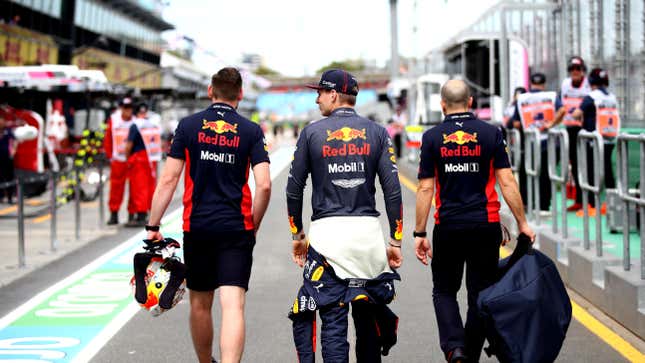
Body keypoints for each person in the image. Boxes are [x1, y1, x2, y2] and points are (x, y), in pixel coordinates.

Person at [145, 67, 271, 363]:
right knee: (233, 306)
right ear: (240, 94)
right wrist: (254, 225)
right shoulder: (251, 130)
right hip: (236, 226)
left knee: (200, 304)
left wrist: (153, 225)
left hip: (198, 225)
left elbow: (168, 179)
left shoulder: (188, 127)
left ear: (210, 92)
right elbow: (264, 184)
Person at [414, 80, 535, 363]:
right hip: (485, 226)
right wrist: (522, 224)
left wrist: (420, 232)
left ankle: (455, 348)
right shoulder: (491, 133)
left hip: (448, 227)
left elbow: (425, 189)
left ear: (442, 104)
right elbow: (507, 182)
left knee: (444, 291)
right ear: (470, 103)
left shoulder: (432, 138)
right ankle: (468, 354)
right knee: (479, 295)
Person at [287, 69, 403, 362]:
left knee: (333, 323)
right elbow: (393, 192)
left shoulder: (312, 133)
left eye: (320, 93)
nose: (317, 99)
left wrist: (297, 235)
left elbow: (293, 190)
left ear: (334, 94)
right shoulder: (378, 132)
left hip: (327, 241)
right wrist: (396, 240)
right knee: (367, 320)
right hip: (368, 239)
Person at [509, 73, 564, 214]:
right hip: (548, 142)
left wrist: (528, 125)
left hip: (530, 142)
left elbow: (515, 123)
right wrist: (551, 124)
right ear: (544, 84)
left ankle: (527, 204)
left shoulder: (522, 98)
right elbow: (562, 110)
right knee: (546, 173)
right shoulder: (551, 96)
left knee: (528, 173)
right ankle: (544, 206)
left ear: (531, 84)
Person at [571, 68, 618, 216]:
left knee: (591, 171)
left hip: (594, 141)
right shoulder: (612, 97)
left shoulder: (591, 97)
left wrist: (578, 116)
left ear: (591, 82)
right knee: (608, 171)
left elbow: (576, 114)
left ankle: (591, 205)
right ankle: (611, 204)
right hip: (609, 138)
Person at [556, 56, 591, 212]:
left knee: (589, 165)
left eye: (578, 69)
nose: (575, 72)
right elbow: (559, 102)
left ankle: (591, 201)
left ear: (583, 70)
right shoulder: (565, 84)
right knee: (575, 165)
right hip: (570, 129)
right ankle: (579, 200)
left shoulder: (589, 85)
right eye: (572, 69)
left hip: (586, 130)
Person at [124, 103, 162, 227]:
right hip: (152, 159)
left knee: (138, 187)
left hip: (139, 159)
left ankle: (141, 215)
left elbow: (129, 144)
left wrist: (127, 158)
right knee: (150, 186)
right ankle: (151, 214)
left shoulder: (135, 126)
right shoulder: (153, 124)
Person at [104, 98, 136, 225]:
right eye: (125, 107)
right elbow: (108, 138)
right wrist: (110, 156)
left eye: (129, 107)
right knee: (116, 188)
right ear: (121, 108)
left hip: (132, 160)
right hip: (118, 159)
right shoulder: (114, 120)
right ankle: (114, 213)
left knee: (134, 188)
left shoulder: (136, 120)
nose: (127, 110)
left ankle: (132, 214)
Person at [0, 115, 16, 203]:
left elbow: (14, 141)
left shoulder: (8, 131)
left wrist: (13, 150)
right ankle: (1, 196)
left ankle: (10, 196)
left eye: (2, 122)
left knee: (9, 177)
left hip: (7, 158)